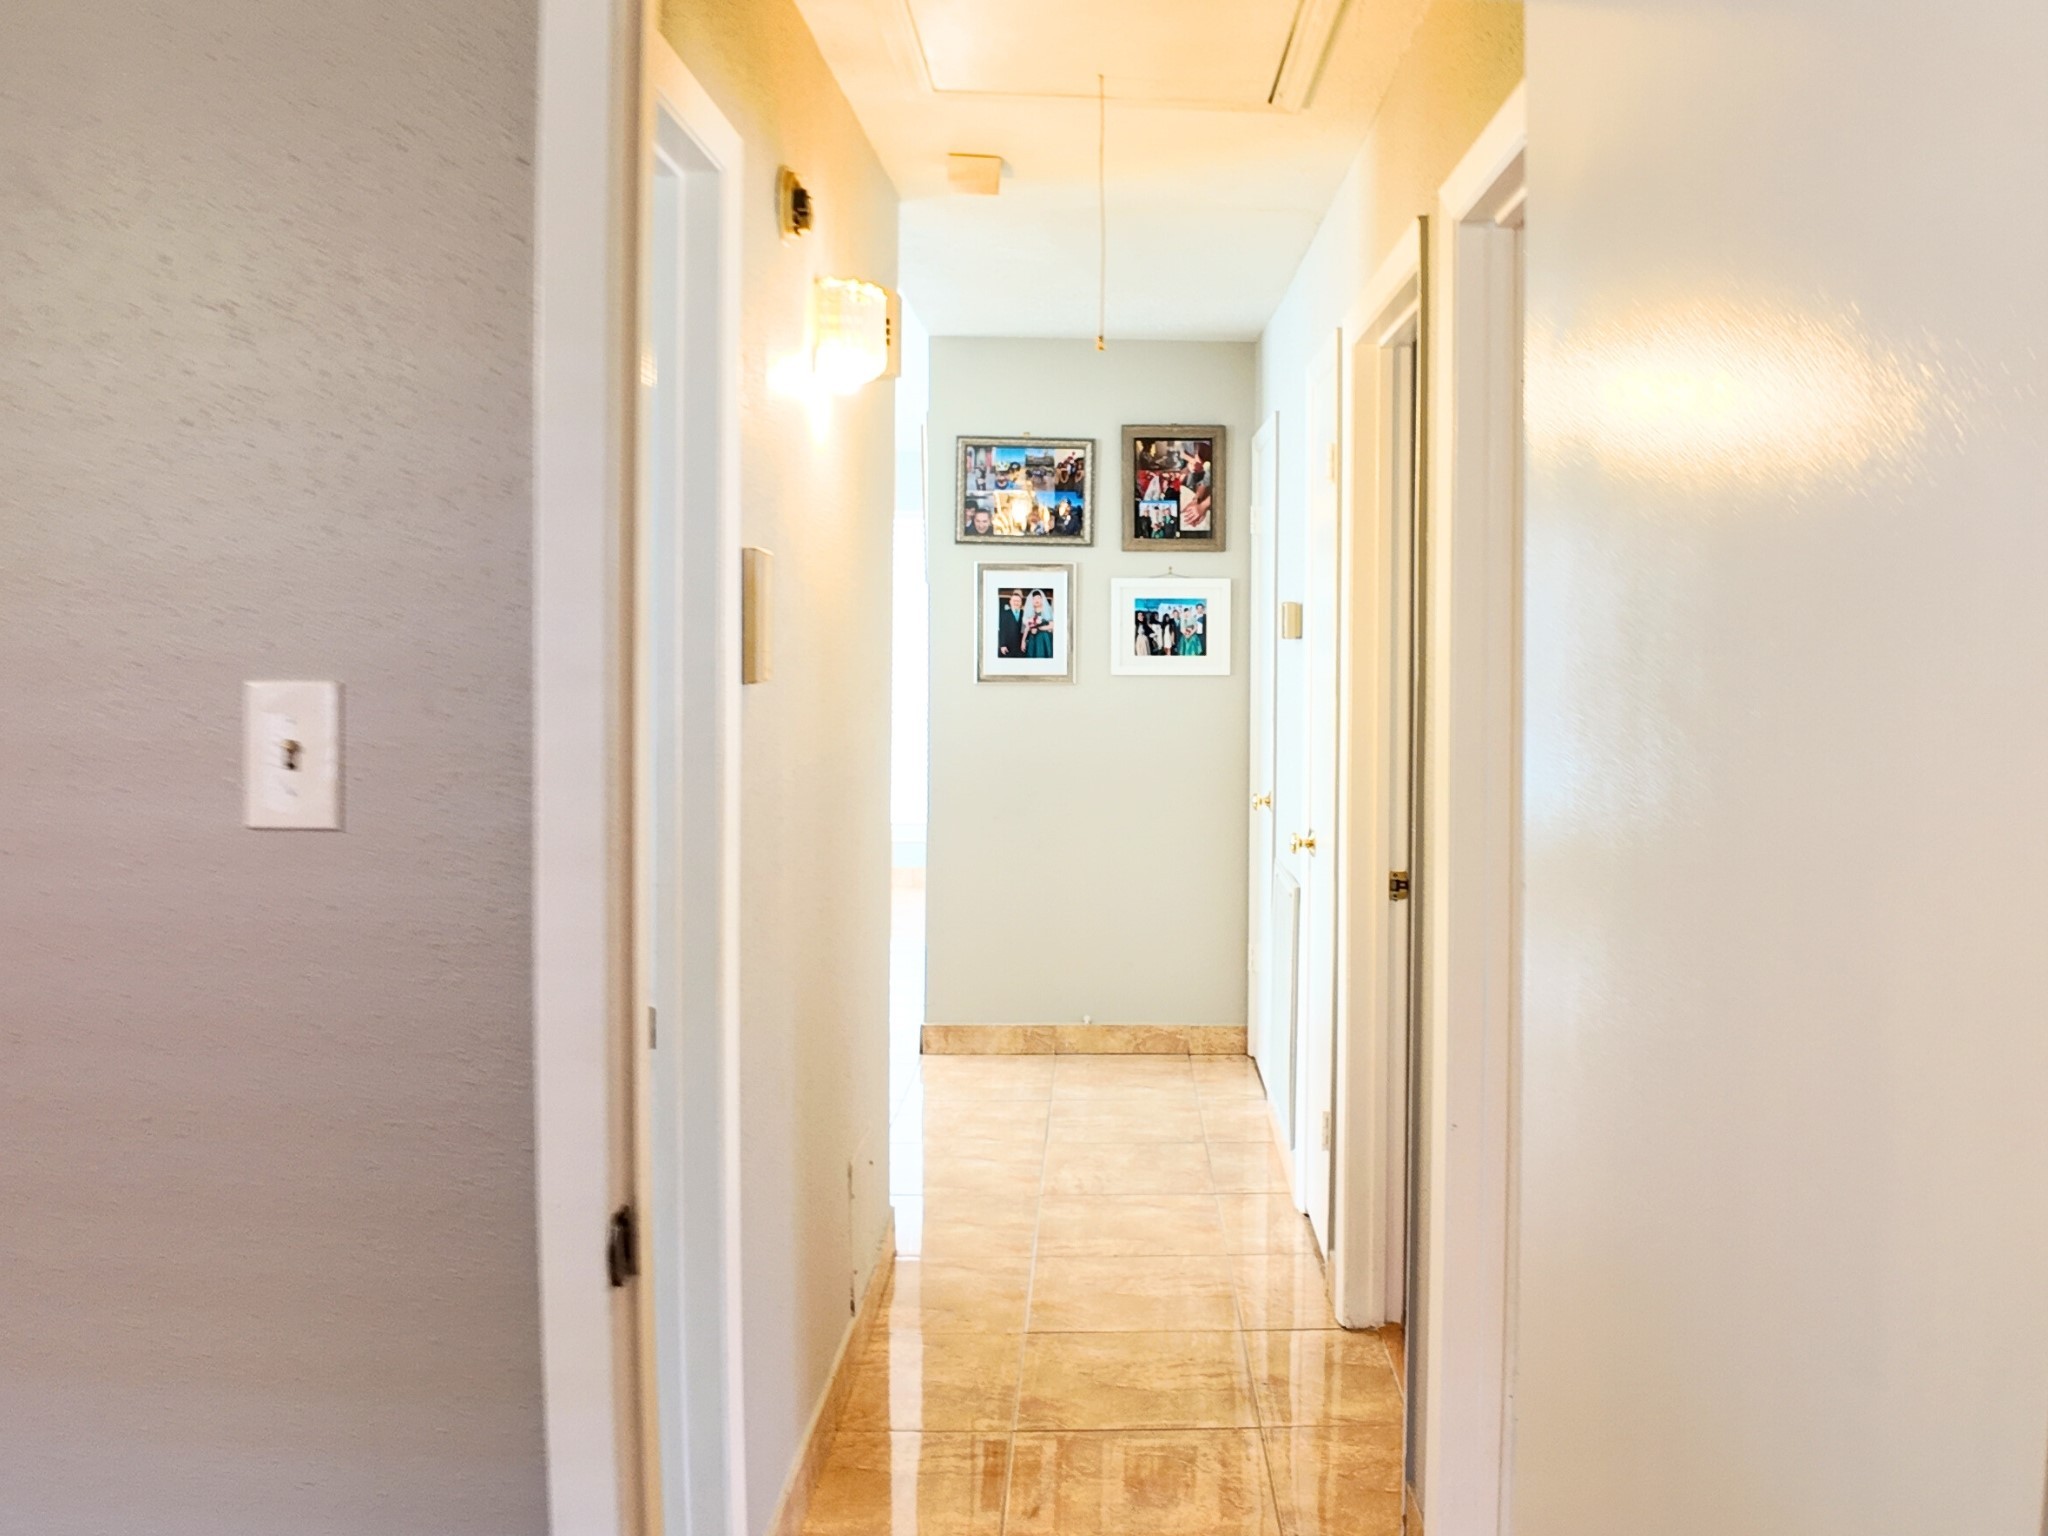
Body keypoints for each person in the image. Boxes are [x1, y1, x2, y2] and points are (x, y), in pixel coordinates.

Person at [1022, 591, 1056, 659]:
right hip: (1033, 638)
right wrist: (1023, 641)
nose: (1036, 600)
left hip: (1044, 638)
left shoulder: (1047, 610)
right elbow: (1027, 628)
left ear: (1042, 599)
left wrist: (1039, 628)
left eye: (1038, 598)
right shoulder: (1030, 612)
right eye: (1034, 598)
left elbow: (1052, 626)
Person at [996, 590, 1025, 658]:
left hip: (1020, 647)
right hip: (1007, 647)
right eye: (1014, 600)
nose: (1016, 603)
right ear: (1010, 602)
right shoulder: (1004, 613)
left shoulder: (1024, 614)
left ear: (1021, 603)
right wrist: (1002, 645)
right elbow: (1002, 630)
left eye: (1018, 601)